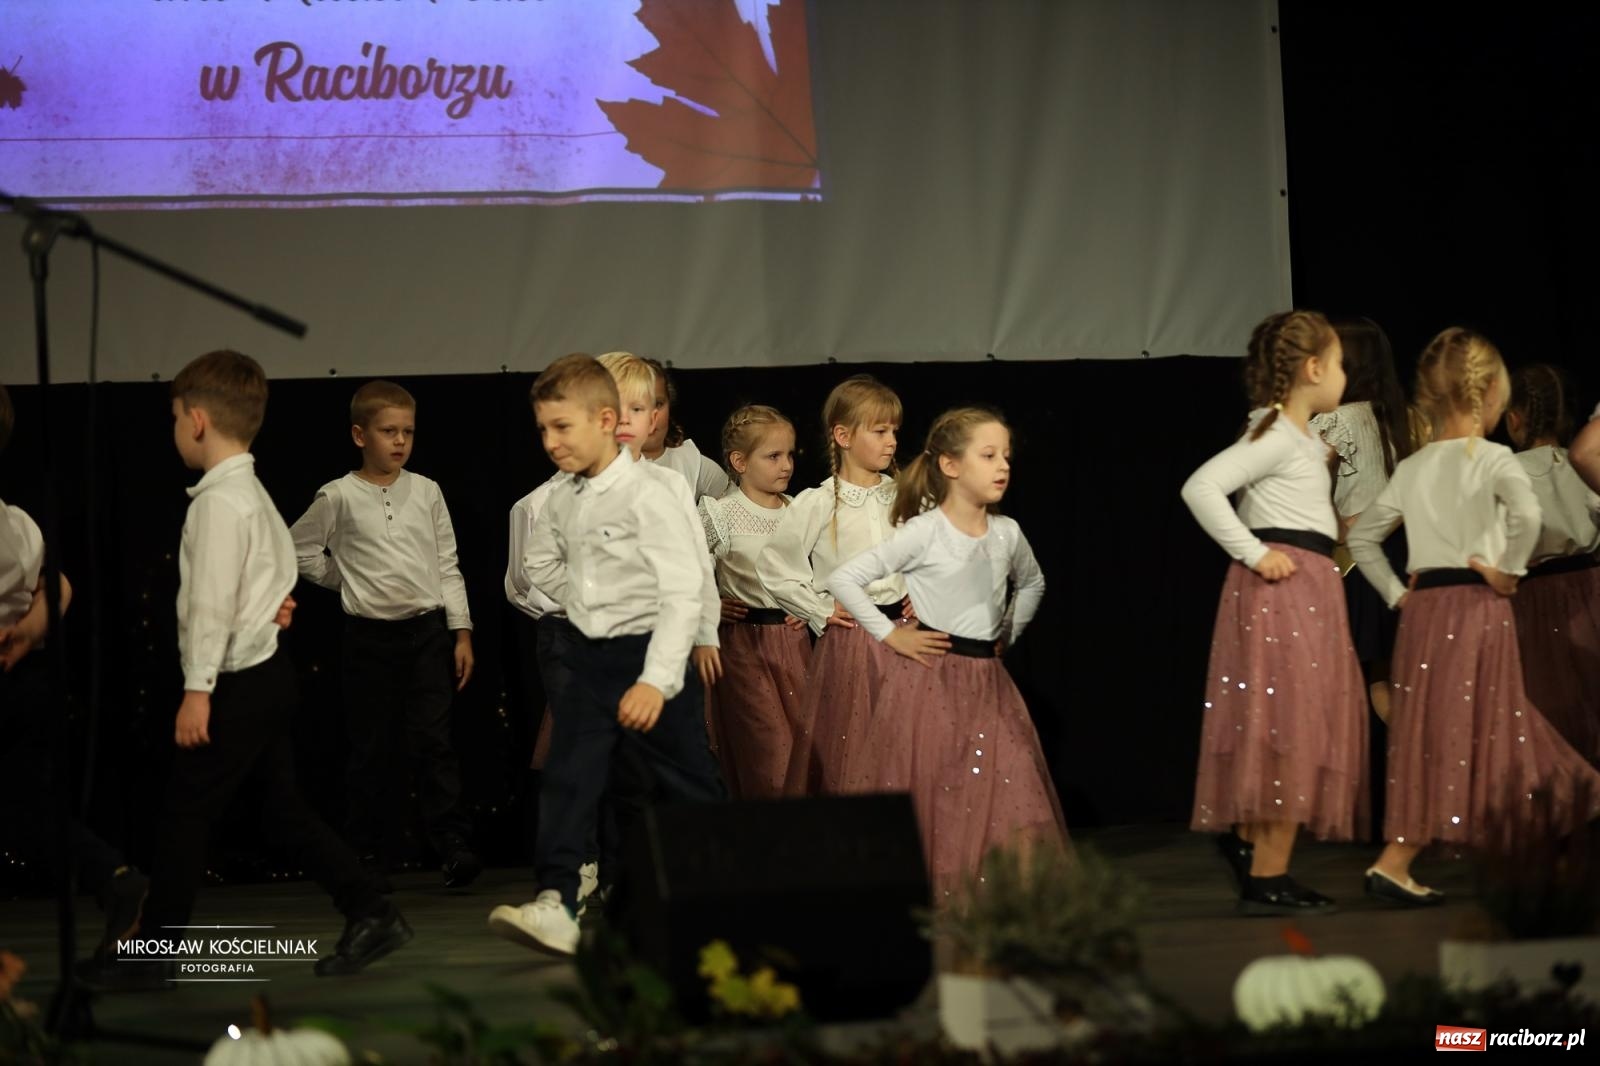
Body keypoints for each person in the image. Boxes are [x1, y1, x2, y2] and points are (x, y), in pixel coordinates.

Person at [82, 351, 410, 989]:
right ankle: (371, 909)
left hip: (237, 681)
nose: (174, 428)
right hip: (265, 674)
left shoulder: (218, 505)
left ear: (197, 420)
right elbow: (279, 563)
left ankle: (151, 957)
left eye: (176, 416)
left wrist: (198, 689)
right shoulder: (248, 492)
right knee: (279, 812)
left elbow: (209, 603)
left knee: (183, 816)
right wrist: (271, 605)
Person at [1348, 329, 1600, 905]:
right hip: (1477, 606)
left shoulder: (1413, 469)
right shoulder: (1489, 459)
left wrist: (1396, 595)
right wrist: (1507, 570)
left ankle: (1433, 857)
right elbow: (1530, 516)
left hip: (1424, 614)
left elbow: (1363, 539)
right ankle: (1560, 819)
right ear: (1490, 396)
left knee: (1445, 730)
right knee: (1486, 726)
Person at [486, 355, 725, 957]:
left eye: (562, 427)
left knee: (687, 783)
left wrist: (659, 677)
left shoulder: (652, 493)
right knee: (570, 779)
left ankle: (728, 894)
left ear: (606, 420)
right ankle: (558, 904)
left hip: (651, 658)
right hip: (589, 657)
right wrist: (588, 603)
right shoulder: (563, 498)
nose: (551, 442)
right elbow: (538, 564)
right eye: (543, 429)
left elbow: (681, 589)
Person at [830, 407, 1063, 895]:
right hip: (931, 681)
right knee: (942, 788)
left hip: (988, 680)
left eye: (1006, 456)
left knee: (1009, 784)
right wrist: (891, 634)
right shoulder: (925, 531)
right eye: (988, 455)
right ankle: (942, 897)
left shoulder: (1006, 533)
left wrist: (1007, 632)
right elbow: (845, 578)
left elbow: (1034, 582)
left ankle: (1005, 903)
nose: (1002, 466)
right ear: (951, 466)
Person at [1181, 310, 1367, 915]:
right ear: (1313, 369)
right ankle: (1268, 870)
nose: (1344, 374)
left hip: (1306, 583)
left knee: (1289, 720)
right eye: (1338, 363)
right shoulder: (1278, 434)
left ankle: (1254, 850)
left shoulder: (1298, 436)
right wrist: (1255, 553)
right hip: (1286, 588)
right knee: (1291, 722)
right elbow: (1201, 487)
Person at [290, 380, 481, 889]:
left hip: (425, 634)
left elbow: (447, 564)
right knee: (371, 748)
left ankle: (453, 846)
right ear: (360, 434)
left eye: (408, 432)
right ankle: (367, 853)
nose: (399, 441)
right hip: (368, 638)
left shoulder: (426, 490)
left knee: (434, 742)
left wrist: (460, 631)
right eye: (387, 431)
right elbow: (299, 550)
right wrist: (346, 580)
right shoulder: (338, 495)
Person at [758, 374, 910, 795]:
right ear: (843, 435)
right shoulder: (818, 502)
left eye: (894, 431)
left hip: (903, 636)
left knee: (905, 745)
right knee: (853, 747)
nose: (891, 441)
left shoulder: (905, 496)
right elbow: (775, 566)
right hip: (853, 642)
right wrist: (820, 609)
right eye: (879, 431)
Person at [697, 404, 810, 798]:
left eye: (790, 454)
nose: (786, 465)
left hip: (796, 645)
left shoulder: (800, 510)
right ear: (739, 461)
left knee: (804, 750)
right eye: (773, 456)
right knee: (768, 754)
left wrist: (811, 606)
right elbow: (688, 572)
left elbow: (823, 570)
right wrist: (710, 604)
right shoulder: (721, 513)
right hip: (746, 646)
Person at [1503, 364, 1600, 763]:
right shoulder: (1586, 461)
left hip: (1537, 601)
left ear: (1514, 417)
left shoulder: (1507, 473)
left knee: (1552, 715)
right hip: (1593, 590)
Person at [640, 356, 732, 500]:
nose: (651, 416)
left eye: (658, 404)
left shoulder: (693, 464)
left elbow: (738, 512)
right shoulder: (601, 469)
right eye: (637, 407)